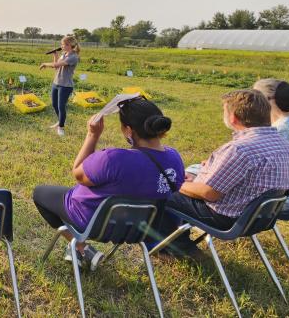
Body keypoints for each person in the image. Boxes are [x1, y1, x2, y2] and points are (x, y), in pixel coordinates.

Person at [33, 97, 183, 270]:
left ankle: (81, 247)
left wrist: (92, 135)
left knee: (40, 193)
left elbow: (79, 174)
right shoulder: (175, 159)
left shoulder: (114, 159)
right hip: (139, 229)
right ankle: (81, 249)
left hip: (93, 223)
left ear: (128, 130)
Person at [159, 89, 289, 255]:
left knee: (161, 189)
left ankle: (178, 249)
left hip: (226, 219)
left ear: (233, 117)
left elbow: (209, 193)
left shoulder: (240, 149)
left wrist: (177, 183)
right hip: (260, 218)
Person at [252, 79, 289, 217]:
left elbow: (253, 167)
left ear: (266, 100)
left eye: (254, 98)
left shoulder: (279, 130)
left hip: (287, 200)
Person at [40, 35, 80, 136]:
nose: (61, 46)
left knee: (61, 106)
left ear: (69, 45)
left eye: (63, 44)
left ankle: (61, 127)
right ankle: (60, 121)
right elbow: (56, 67)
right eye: (61, 44)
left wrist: (45, 64)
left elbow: (56, 65)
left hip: (65, 86)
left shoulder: (73, 57)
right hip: (56, 83)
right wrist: (55, 55)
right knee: (54, 105)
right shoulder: (64, 54)